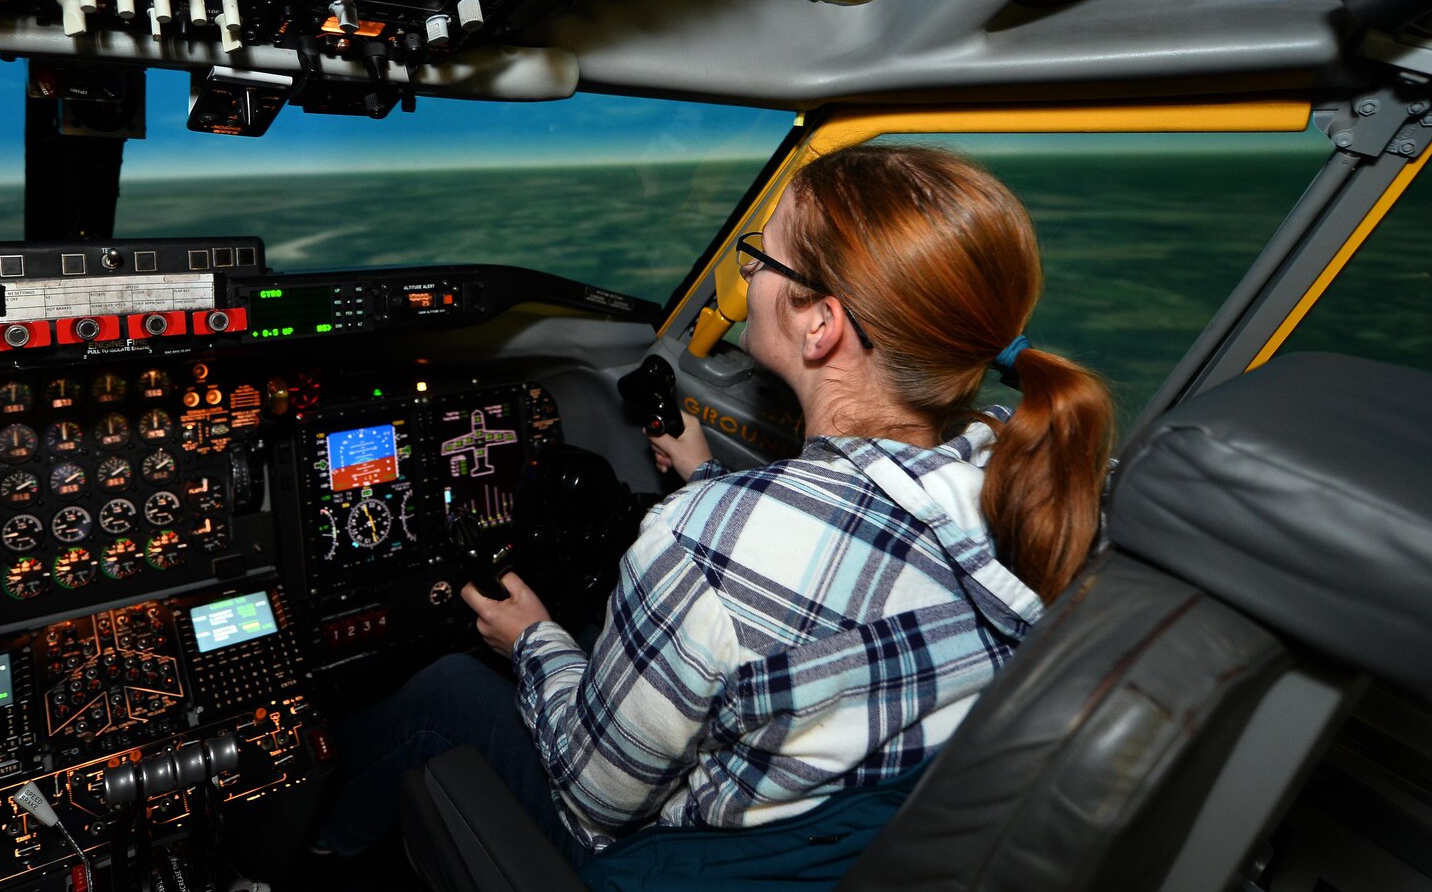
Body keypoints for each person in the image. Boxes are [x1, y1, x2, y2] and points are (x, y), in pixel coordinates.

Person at [311, 144, 1116, 882]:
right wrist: (703, 477)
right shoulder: (1030, 476)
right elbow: (847, 537)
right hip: (857, 849)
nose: (750, 279)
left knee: (450, 686)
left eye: (760, 258)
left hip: (677, 862)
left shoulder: (708, 545)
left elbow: (594, 802)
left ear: (819, 323)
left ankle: (309, 855)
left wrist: (529, 640)